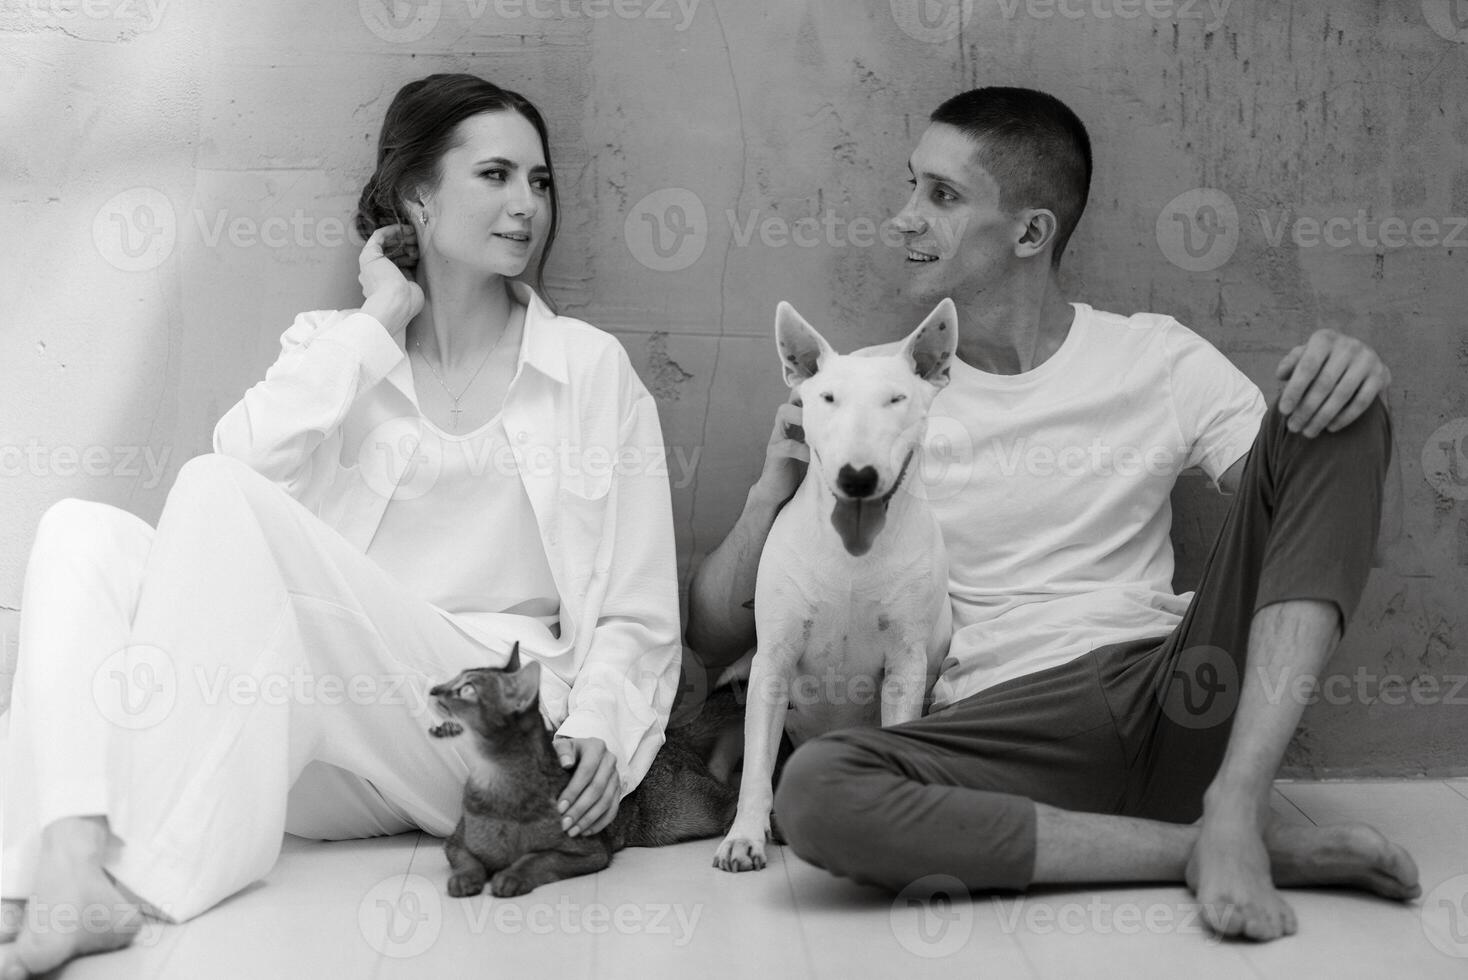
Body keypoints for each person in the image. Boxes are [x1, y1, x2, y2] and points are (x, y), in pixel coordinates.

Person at [686, 86, 1419, 942]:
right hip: (1002, 730)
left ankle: (1238, 801)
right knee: (816, 790)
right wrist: (771, 494)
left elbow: (1299, 513)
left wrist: (1343, 384)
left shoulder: (1158, 355)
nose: (902, 219)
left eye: (941, 196)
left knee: (1338, 412)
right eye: (910, 186)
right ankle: (1215, 847)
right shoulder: (868, 393)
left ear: (1032, 233)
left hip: (1176, 688)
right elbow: (711, 638)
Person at [0, 73, 681, 977]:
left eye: (540, 181)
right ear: (417, 198)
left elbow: (638, 609)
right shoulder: (334, 346)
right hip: (309, 751)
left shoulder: (590, 371)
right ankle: (65, 857)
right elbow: (231, 487)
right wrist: (374, 325)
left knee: (218, 488)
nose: (527, 205)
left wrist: (602, 723)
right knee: (81, 532)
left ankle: (137, 883)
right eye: (496, 176)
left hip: (472, 740)